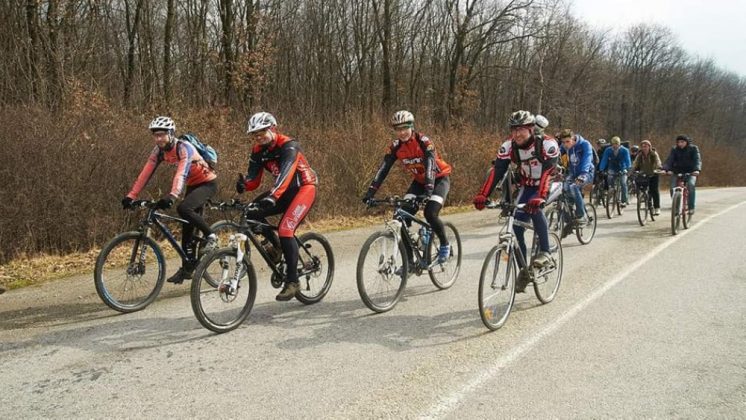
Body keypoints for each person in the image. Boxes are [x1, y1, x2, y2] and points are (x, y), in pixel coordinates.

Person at [123, 116, 218, 284]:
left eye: (162, 134)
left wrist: (173, 196)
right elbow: (145, 173)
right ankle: (188, 268)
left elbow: (181, 172)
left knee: (184, 209)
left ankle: (211, 235)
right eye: (156, 135)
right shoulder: (158, 151)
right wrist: (131, 195)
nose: (159, 139)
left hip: (207, 183)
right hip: (192, 185)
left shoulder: (184, 147)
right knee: (186, 227)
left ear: (171, 133)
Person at [473, 110, 559, 293]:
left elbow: (549, 171)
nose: (517, 134)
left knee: (535, 210)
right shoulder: (508, 146)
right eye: (514, 130)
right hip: (528, 186)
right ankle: (524, 271)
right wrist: (483, 195)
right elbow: (497, 170)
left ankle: (546, 252)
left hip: (549, 183)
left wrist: (540, 196)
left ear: (531, 129)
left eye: (521, 129)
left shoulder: (546, 144)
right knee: (516, 227)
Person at [235, 112, 318, 301]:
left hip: (303, 189)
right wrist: (244, 184)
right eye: (255, 134)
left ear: (272, 128)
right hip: (282, 191)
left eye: (262, 132)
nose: (259, 137)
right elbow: (254, 180)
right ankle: (276, 245)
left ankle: (292, 281)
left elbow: (287, 173)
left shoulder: (289, 145)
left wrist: (273, 196)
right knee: (249, 214)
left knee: (286, 229)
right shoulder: (258, 151)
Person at [362, 110, 453, 267]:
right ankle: (409, 262)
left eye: (405, 128)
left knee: (430, 213)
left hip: (438, 180)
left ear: (412, 127)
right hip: (419, 182)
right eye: (398, 129)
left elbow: (431, 165)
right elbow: (383, 169)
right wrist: (370, 192)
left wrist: (429, 190)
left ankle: (445, 244)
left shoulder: (424, 142)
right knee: (400, 217)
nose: (402, 132)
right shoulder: (396, 147)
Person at [557, 129, 594, 228]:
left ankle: (581, 216)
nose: (565, 144)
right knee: (563, 187)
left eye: (567, 141)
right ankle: (569, 217)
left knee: (574, 187)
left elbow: (587, 159)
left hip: (586, 173)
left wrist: (583, 174)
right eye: (563, 142)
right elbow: (556, 155)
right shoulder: (565, 146)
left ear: (573, 139)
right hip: (573, 173)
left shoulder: (585, 144)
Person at [662, 134, 701, 215]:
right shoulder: (674, 149)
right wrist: (666, 169)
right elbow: (670, 160)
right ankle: (675, 207)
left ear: (686, 142)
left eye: (682, 142)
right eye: (678, 142)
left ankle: (691, 207)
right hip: (677, 171)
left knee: (690, 185)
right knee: (672, 187)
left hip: (691, 172)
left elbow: (697, 160)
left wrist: (697, 170)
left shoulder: (693, 149)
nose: (680, 144)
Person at [599, 136, 632, 206]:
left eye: (616, 144)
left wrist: (628, 168)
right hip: (612, 168)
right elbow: (604, 160)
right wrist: (601, 169)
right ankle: (612, 192)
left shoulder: (625, 150)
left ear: (619, 144)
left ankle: (624, 200)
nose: (615, 145)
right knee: (609, 178)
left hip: (622, 168)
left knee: (623, 183)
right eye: (613, 144)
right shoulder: (608, 150)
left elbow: (628, 161)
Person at [632, 140, 662, 215]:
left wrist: (659, 168)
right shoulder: (640, 155)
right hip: (644, 174)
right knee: (643, 188)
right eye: (642, 146)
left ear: (649, 146)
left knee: (654, 190)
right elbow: (635, 163)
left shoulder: (653, 154)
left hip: (653, 173)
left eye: (646, 146)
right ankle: (645, 201)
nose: (644, 148)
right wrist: (632, 170)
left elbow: (658, 161)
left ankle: (657, 207)